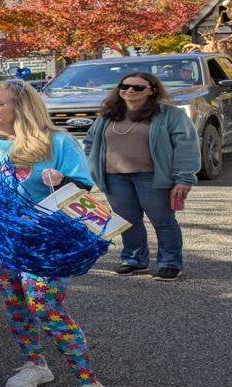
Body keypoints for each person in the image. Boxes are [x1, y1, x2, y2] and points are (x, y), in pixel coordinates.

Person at [0, 79, 123, 387]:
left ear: (22, 107)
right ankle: (35, 363)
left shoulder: (57, 142)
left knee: (46, 308)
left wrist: (63, 180)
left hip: (43, 244)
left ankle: (91, 386)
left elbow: (83, 189)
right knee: (15, 306)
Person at [83, 73, 199, 281]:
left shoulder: (170, 115)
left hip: (152, 177)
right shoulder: (109, 115)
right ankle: (134, 260)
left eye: (137, 88)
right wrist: (92, 167)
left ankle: (170, 263)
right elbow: (91, 143)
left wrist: (183, 178)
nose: (129, 91)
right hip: (115, 178)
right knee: (127, 221)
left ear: (151, 90)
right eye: (125, 86)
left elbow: (186, 147)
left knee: (162, 221)